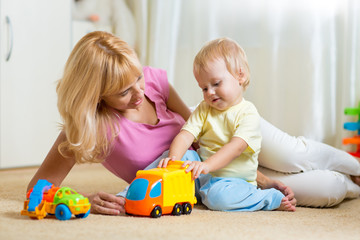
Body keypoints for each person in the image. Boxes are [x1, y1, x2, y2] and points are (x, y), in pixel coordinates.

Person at [27, 31, 359, 215]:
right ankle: (351, 185)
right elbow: (36, 191)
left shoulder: (155, 82)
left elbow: (194, 121)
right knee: (324, 190)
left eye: (138, 78)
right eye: (124, 92)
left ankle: (354, 165)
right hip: (206, 178)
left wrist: (247, 167)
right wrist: (84, 199)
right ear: (96, 97)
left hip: (225, 125)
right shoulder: (89, 128)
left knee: (292, 155)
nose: (140, 92)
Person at [158, 37, 295, 211]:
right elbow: (185, 136)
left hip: (233, 182)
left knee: (218, 199)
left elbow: (235, 148)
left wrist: (207, 165)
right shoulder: (204, 109)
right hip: (201, 175)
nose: (210, 92)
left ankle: (269, 198)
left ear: (240, 75)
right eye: (204, 88)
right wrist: (173, 159)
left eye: (216, 83)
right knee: (170, 156)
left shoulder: (248, 113)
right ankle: (139, 190)